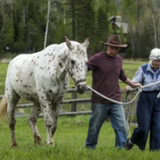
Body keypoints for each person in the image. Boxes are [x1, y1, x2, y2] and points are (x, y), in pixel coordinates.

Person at [85, 34, 142, 149]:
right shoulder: (96, 58)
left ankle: (120, 149)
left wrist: (134, 85)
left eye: (116, 49)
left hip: (115, 99)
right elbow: (83, 69)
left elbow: (122, 76)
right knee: (94, 126)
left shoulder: (119, 60)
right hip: (99, 100)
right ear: (107, 46)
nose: (114, 51)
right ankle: (90, 148)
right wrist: (79, 80)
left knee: (121, 126)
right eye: (112, 48)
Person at [126, 48, 160, 151]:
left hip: (158, 99)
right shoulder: (143, 69)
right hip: (145, 99)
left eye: (159, 61)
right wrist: (130, 87)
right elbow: (134, 82)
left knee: (158, 127)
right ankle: (132, 141)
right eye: (155, 61)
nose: (157, 63)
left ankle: (155, 151)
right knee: (144, 127)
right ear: (151, 59)